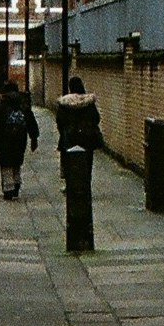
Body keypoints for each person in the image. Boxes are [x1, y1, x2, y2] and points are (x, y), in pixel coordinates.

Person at [54, 75, 104, 253]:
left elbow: (59, 121)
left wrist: (68, 130)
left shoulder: (65, 104)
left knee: (69, 165)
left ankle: (71, 186)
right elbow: (96, 119)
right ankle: (85, 186)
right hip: (86, 140)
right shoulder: (88, 102)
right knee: (86, 164)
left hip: (69, 139)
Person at [0, 72, 39, 199]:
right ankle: (16, 183)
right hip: (20, 138)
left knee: (5, 162)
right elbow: (31, 120)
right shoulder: (23, 104)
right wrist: (34, 137)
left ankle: (8, 187)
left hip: (2, 138)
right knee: (17, 160)